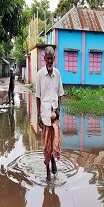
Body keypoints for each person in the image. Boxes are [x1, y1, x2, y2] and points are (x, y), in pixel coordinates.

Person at [36, 46, 64, 180]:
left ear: (54, 58)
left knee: (55, 142)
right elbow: (37, 96)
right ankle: (48, 171)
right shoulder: (40, 75)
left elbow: (60, 93)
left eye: (52, 58)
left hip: (55, 116)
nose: (50, 61)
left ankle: (53, 159)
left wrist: (59, 108)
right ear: (44, 58)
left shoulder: (57, 74)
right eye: (48, 58)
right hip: (45, 116)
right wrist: (38, 116)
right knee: (46, 145)